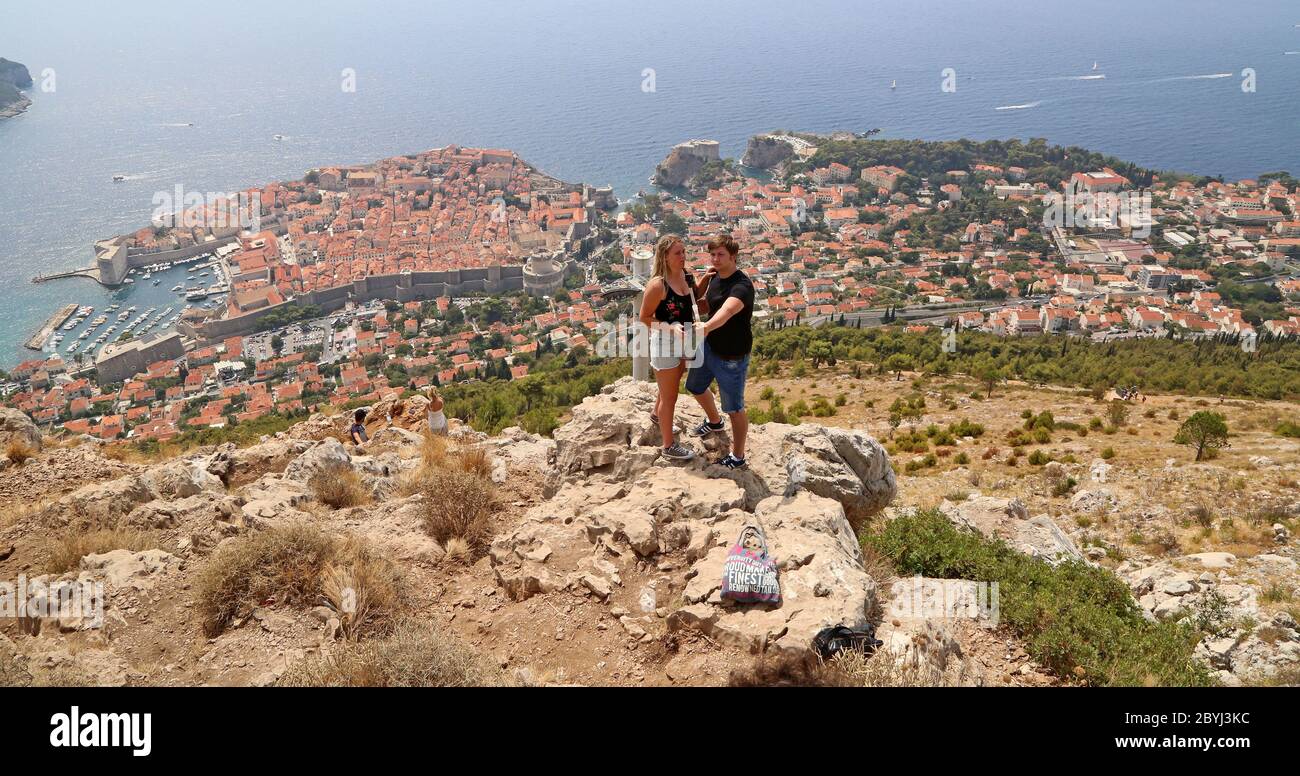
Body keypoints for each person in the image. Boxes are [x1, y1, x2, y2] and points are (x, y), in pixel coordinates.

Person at [687, 233, 754, 469]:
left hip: (731, 357)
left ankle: (737, 456)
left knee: (735, 408)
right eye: (713, 254)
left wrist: (704, 327)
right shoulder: (715, 276)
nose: (715, 259)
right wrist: (699, 290)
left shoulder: (741, 287)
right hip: (710, 346)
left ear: (733, 257)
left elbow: (725, 313)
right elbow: (709, 305)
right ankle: (715, 422)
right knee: (694, 386)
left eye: (721, 255)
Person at [639, 234, 697, 461]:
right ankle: (668, 446)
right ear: (665, 256)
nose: (682, 256)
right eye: (677, 253)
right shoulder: (658, 285)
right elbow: (644, 317)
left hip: (683, 338)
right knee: (670, 396)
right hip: (665, 342)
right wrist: (669, 329)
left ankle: (656, 415)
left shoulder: (684, 276)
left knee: (669, 387)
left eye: (683, 252)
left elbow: (692, 302)